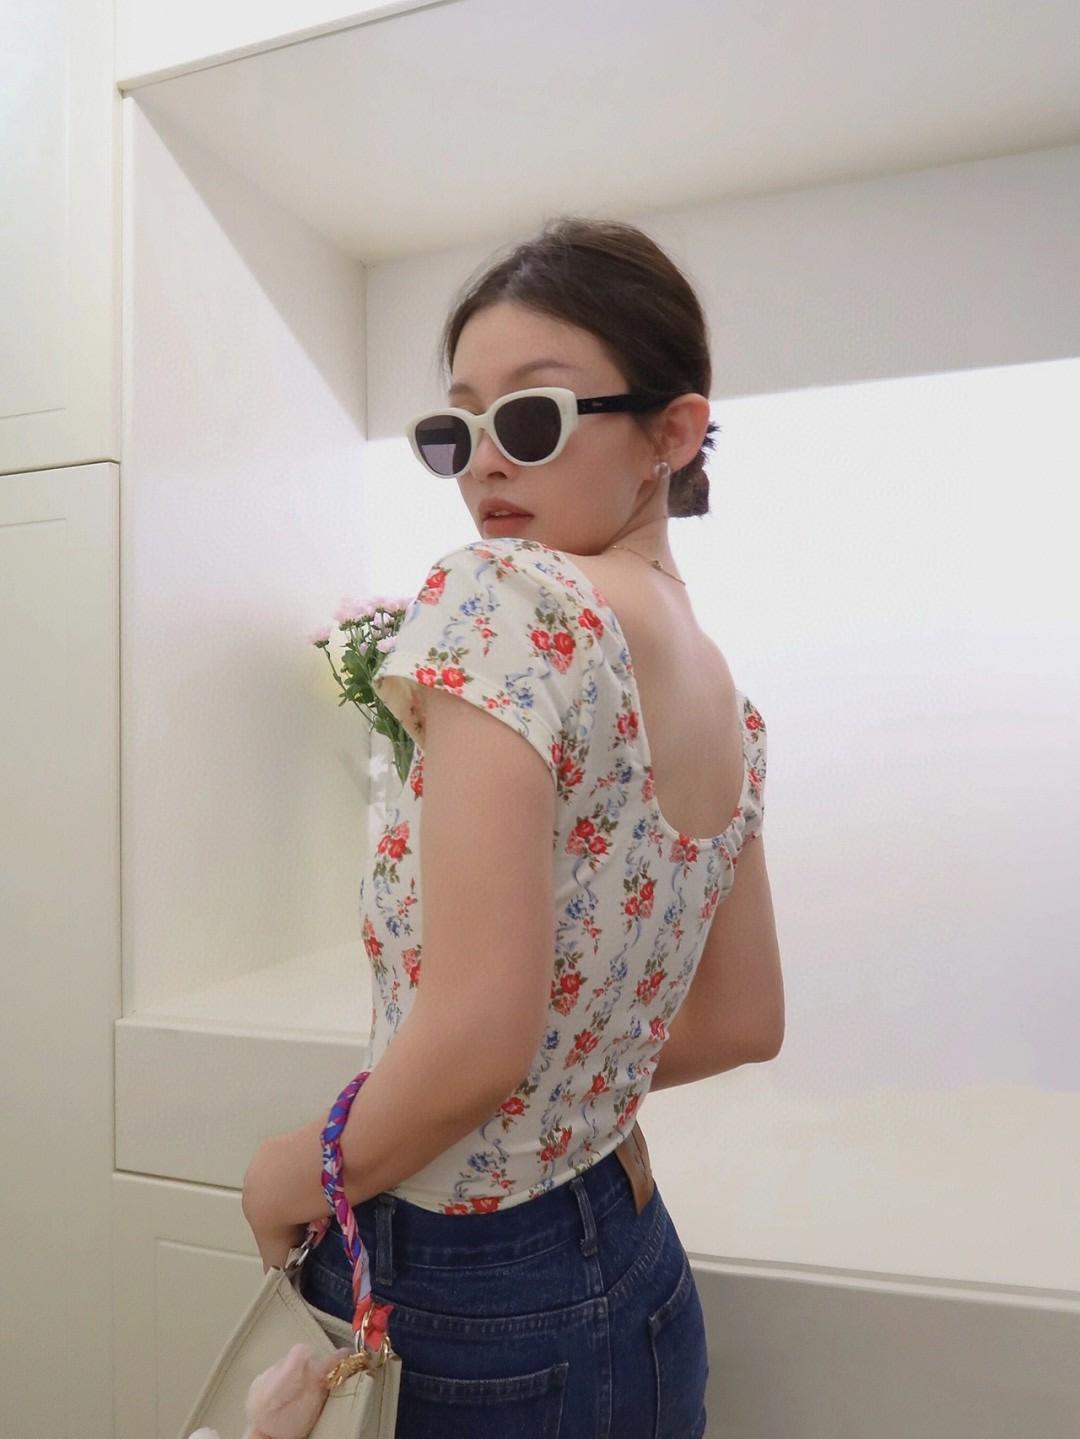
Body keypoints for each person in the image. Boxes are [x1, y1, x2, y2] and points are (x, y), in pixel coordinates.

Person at [293, 216, 782, 1438]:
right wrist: (562, 1090)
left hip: (468, 1289)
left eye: (532, 416)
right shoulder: (726, 697)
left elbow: (474, 1045)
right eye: (457, 429)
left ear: (673, 431)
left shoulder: (505, 598)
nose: (483, 468)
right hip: (634, 1257)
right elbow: (743, 1019)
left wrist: (286, 1175)